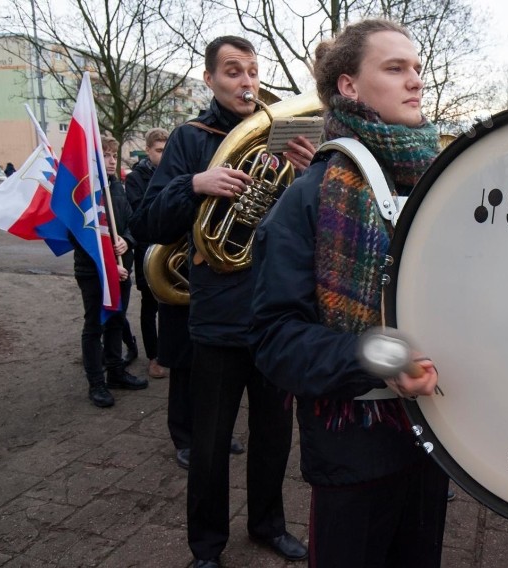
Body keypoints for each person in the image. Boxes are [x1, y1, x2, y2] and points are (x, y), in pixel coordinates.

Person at [248, 19, 449, 567]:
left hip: (440, 438)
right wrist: (384, 357)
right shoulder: (310, 196)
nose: (415, 81)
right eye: (394, 68)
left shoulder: (441, 188)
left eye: (416, 69)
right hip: (353, 452)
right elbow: (275, 341)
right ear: (348, 86)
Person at [132, 36, 313, 568]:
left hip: (278, 313)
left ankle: (267, 526)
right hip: (215, 315)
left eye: (252, 71)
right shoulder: (190, 139)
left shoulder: (284, 134)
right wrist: (195, 183)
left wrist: (307, 177)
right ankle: (206, 548)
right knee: (209, 445)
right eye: (233, 71)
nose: (247, 81)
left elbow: (309, 225)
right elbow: (147, 223)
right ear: (210, 79)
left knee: (275, 437)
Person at [75, 136, 148, 408]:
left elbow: (130, 224)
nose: (111, 160)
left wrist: (126, 240)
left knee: (117, 319)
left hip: (121, 269)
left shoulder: (116, 187)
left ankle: (116, 371)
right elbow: (80, 237)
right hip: (93, 272)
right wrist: (107, 261)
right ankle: (96, 382)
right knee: (95, 324)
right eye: (105, 156)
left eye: (113, 156)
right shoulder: (82, 191)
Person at [125, 127, 169, 380]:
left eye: (167, 150)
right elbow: (140, 215)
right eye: (159, 151)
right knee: (150, 305)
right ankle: (154, 357)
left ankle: (168, 351)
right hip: (147, 251)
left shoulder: (175, 172)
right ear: (148, 150)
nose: (163, 156)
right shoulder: (135, 178)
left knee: (171, 307)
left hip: (170, 249)